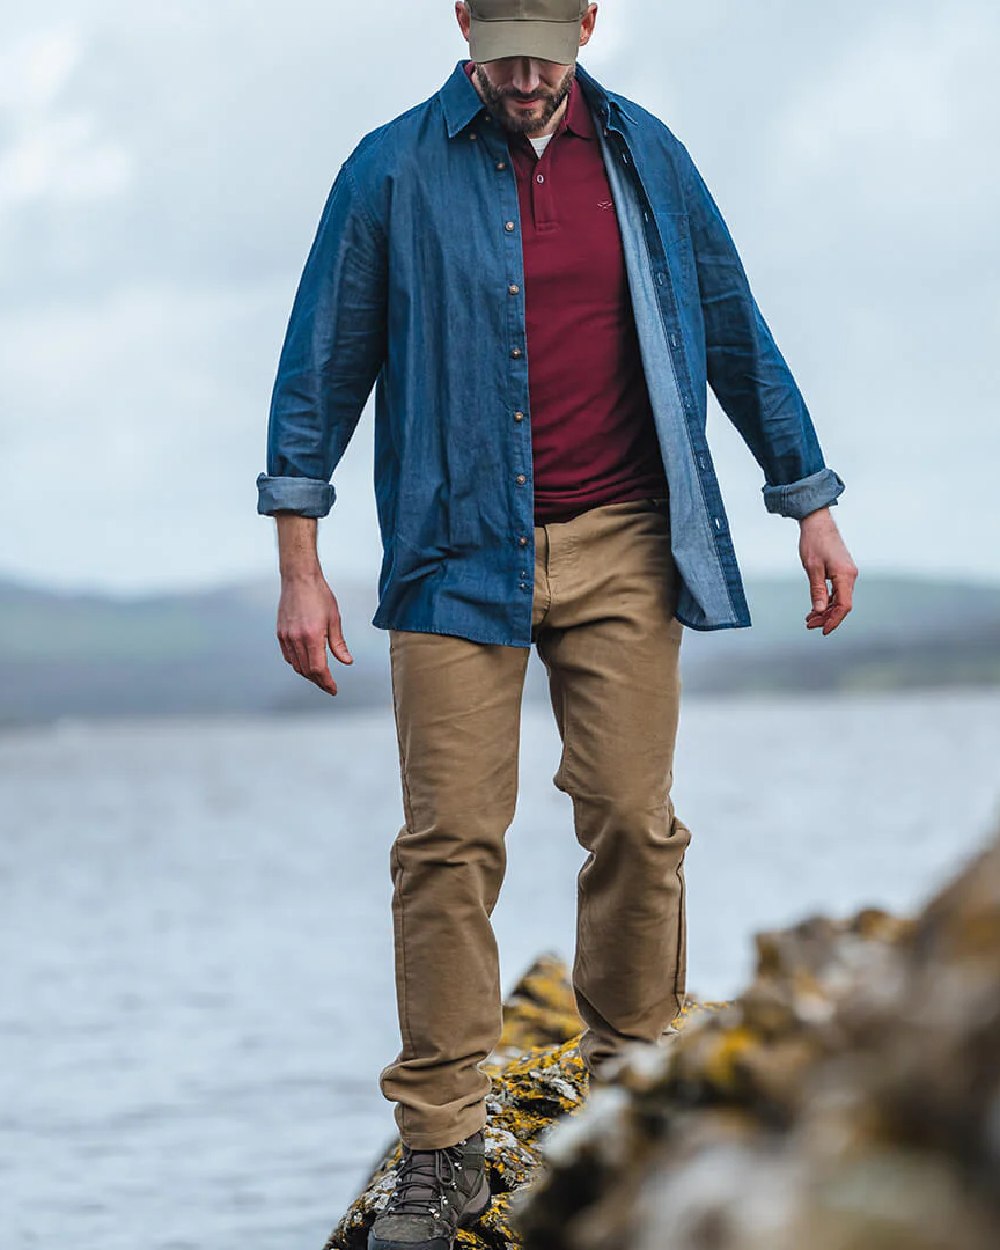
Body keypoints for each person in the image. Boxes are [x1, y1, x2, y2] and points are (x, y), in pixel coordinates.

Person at [256, 2, 859, 1247]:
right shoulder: (389, 169)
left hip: (627, 540)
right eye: (503, 50)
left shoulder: (648, 158)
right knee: (448, 843)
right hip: (449, 550)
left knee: (635, 819)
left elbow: (736, 332)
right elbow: (319, 368)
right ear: (463, 24)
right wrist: (300, 563)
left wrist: (806, 501)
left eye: (549, 49)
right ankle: (439, 1147)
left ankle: (632, 1081)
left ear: (589, 23)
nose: (526, 77)